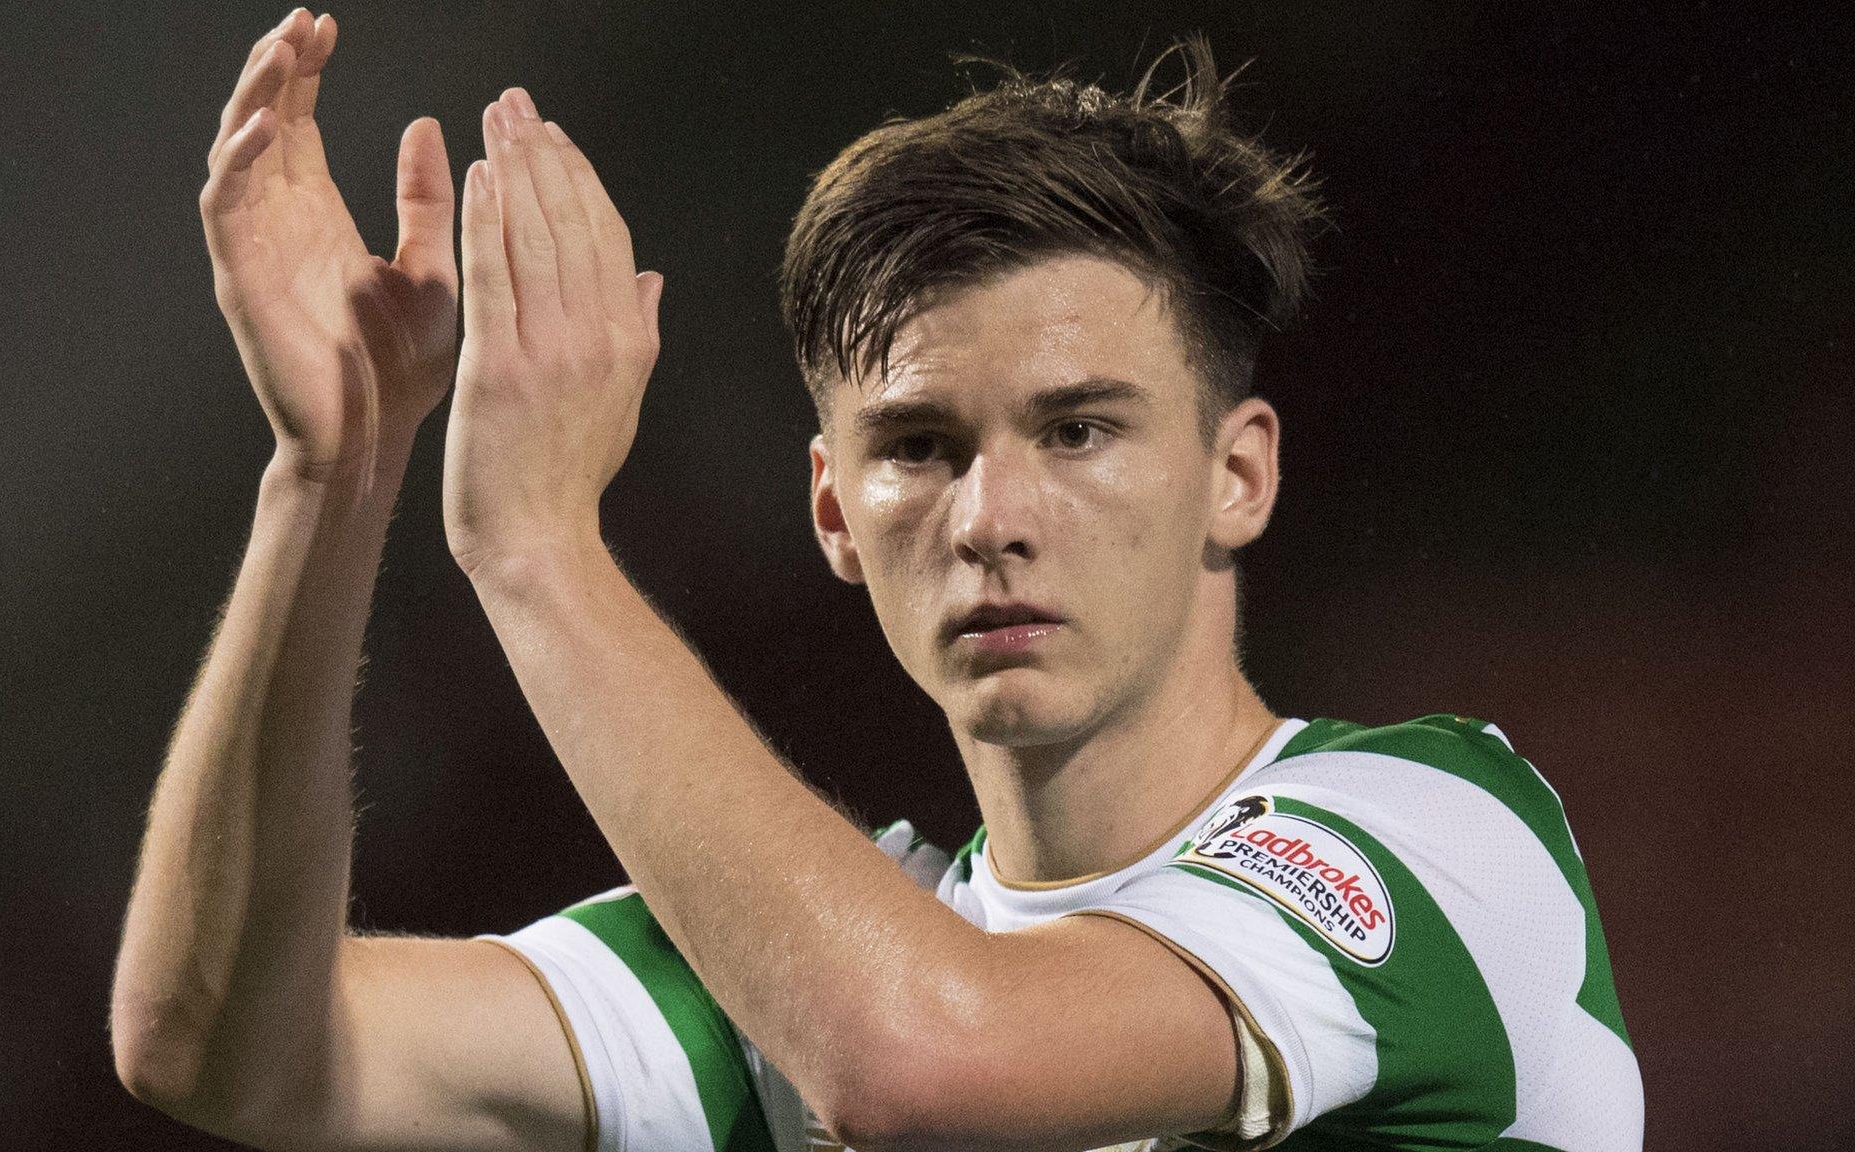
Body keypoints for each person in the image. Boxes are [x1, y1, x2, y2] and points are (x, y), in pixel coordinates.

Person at [110, 8, 1644, 1151]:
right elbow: (227, 1048)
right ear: (835, 514)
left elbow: (925, 1061)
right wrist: (335, 476)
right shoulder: (794, 966)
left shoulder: (1434, 832)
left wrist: (536, 547)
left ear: (1235, 475)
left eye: (1081, 428)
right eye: (918, 446)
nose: (992, 515)